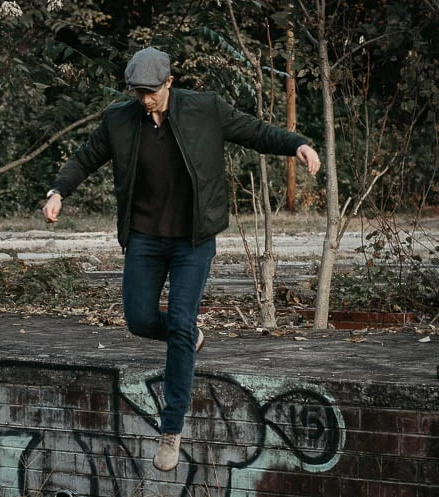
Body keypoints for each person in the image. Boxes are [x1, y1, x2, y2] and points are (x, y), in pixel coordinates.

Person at [41, 47, 320, 472]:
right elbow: (85, 157)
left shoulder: (203, 108)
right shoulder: (120, 119)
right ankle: (188, 335)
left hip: (192, 240)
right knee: (138, 318)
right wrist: (58, 191)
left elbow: (255, 131)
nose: (145, 99)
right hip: (145, 239)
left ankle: (171, 429)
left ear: (169, 82)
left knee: (182, 325)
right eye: (138, 92)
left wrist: (297, 144)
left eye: (151, 91)